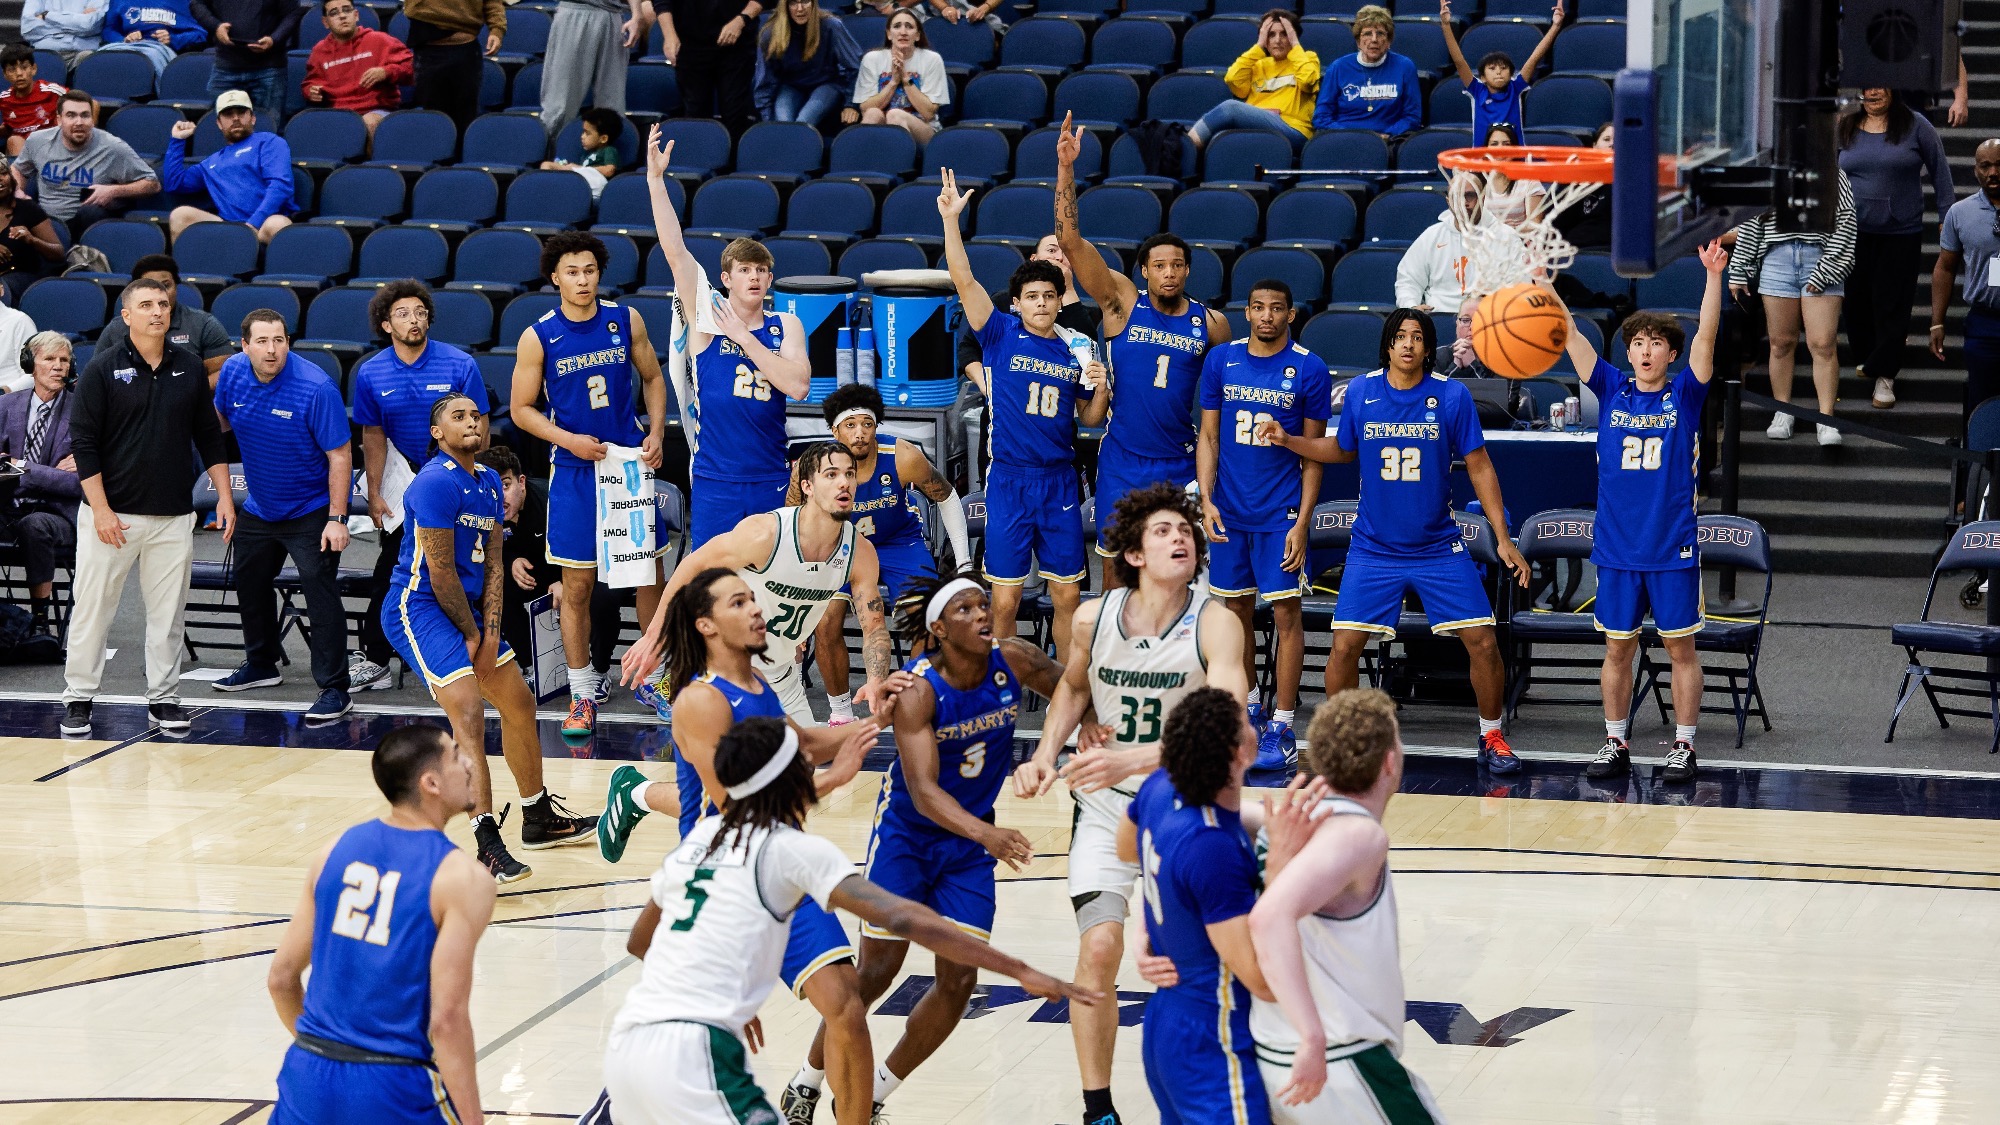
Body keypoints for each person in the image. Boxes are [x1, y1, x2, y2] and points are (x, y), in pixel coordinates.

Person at [602, 714, 1092, 1125]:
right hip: (695, 1057)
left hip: (629, 1046)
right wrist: (1019, 969)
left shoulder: (703, 836)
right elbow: (904, 917)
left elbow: (640, 941)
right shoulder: (789, 850)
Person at [594, 567, 882, 1125]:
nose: (756, 609)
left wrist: (879, 719)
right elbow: (737, 808)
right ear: (705, 624)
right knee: (679, 1061)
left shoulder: (759, 685)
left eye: (753, 599)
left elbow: (808, 742)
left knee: (846, 1002)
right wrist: (834, 779)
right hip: (725, 875)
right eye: (739, 602)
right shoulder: (700, 701)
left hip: (774, 858)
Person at [782, 573, 1071, 1122]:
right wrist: (988, 834)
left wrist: (1092, 736)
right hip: (910, 836)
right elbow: (925, 790)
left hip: (968, 842)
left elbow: (1072, 687)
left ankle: (871, 1096)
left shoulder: (1015, 658)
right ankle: (806, 1081)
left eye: (983, 605)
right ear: (937, 629)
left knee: (959, 980)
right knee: (874, 974)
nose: (982, 615)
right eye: (965, 610)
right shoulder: (916, 691)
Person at [1014, 482, 1248, 1125]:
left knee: (1210, 965)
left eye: (1186, 530)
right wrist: (1043, 753)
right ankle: (1099, 1111)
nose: (1181, 538)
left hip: (1187, 813)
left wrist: (1136, 758)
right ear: (1135, 554)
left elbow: (1227, 727)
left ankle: (1237, 1086)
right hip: (1106, 809)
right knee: (1098, 951)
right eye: (1165, 531)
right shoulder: (1094, 616)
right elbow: (1069, 688)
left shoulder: (1217, 621)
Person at [1260, 309, 1532, 775]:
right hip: (1373, 548)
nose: (1408, 344)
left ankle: (1491, 735)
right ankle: (1347, 739)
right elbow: (1342, 449)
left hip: (1437, 546)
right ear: (1387, 345)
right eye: (1400, 337)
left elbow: (1481, 465)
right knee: (1344, 648)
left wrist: (1503, 539)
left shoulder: (1451, 395)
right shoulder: (1364, 391)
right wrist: (1289, 441)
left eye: (1417, 338)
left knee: (1483, 642)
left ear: (1429, 348)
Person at [380, 392, 599, 883]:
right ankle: (485, 842)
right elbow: (439, 573)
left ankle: (538, 815)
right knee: (469, 710)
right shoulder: (434, 482)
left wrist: (491, 631)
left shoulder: (486, 484)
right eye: (458, 417)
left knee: (519, 701)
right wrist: (473, 632)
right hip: (420, 608)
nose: (472, 421)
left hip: (471, 613)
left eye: (476, 415)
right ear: (438, 433)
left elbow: (495, 565)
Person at [1551, 243, 1726, 785]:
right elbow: (1574, 338)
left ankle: (1683, 745)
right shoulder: (1610, 387)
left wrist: (1713, 277)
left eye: (1655, 344)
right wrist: (1545, 286)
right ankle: (1614, 740)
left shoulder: (1686, 395)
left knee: (1680, 647)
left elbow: (1706, 337)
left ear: (1669, 354)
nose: (1645, 351)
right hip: (1618, 547)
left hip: (1671, 545)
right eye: (1638, 343)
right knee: (1617, 648)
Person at [266, 725, 496, 1125]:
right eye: (457, 756)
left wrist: (330, 1050)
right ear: (431, 783)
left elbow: (281, 979)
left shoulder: (332, 851)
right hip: (394, 1084)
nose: (470, 764)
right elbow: (446, 1020)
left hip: (307, 1074)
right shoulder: (463, 877)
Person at [1246, 689, 1451, 1124]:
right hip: (1339, 1062)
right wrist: (1313, 1036)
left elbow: (1191, 810)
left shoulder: (1282, 820)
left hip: (1277, 1054)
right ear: (1390, 762)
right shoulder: (1358, 836)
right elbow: (1269, 916)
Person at [941, 169, 1108, 664]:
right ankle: (1004, 682)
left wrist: (1101, 387)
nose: (1041, 302)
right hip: (1010, 480)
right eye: (1031, 296)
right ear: (1016, 304)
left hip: (1060, 480)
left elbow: (1091, 419)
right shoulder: (999, 333)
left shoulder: (1077, 348)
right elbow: (963, 278)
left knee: (1068, 597)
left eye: (1049, 296)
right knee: (1006, 598)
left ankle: (1065, 683)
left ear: (1060, 302)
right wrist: (952, 221)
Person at [509, 230, 670, 738]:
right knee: (577, 585)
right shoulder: (538, 335)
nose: (582, 280)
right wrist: (568, 438)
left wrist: (658, 432)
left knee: (649, 579)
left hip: (625, 464)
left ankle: (656, 678)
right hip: (576, 470)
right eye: (572, 272)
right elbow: (520, 410)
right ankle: (582, 695)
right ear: (554, 277)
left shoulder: (627, 319)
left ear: (600, 274)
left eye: (590, 271)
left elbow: (654, 378)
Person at [59, 278, 233, 738]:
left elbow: (208, 436)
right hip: (111, 515)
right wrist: (99, 509)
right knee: (93, 609)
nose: (157, 311)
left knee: (168, 614)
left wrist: (225, 497)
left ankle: (164, 698)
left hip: (173, 515)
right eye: (146, 305)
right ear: (127, 315)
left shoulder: (191, 368)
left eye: (162, 303)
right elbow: (85, 443)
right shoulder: (101, 368)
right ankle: (79, 696)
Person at [625, 441, 899, 732]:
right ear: (807, 486)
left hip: (781, 672)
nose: (843, 482)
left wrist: (875, 679)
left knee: (803, 765)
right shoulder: (766, 533)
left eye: (849, 474)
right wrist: (655, 636)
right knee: (727, 770)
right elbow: (693, 566)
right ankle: (640, 780)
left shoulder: (860, 552)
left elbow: (874, 627)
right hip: (725, 668)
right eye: (831, 475)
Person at [1053, 116, 1227, 540]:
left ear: (1187, 271)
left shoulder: (1211, 324)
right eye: (1159, 266)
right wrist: (1066, 169)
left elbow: (1233, 384)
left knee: (1179, 568)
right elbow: (1071, 243)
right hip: (1123, 458)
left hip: (1181, 459)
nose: (1169, 273)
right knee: (1116, 568)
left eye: (1177, 265)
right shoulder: (1122, 303)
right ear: (1144, 271)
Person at [645, 126, 811, 548]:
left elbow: (797, 386)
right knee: (714, 585)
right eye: (744, 270)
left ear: (770, 279)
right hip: (715, 478)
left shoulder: (786, 325)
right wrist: (655, 181)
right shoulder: (706, 320)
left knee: (767, 586)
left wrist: (747, 339)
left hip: (771, 476)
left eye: (760, 271)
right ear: (726, 278)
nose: (753, 277)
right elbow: (675, 252)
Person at [1119, 686, 1273, 1125]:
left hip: (1167, 1025)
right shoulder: (1211, 849)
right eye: (1245, 718)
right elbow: (1259, 980)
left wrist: (1153, 921)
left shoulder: (1161, 785)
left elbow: (1128, 848)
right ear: (1238, 751)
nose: (1252, 719)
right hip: (1215, 1038)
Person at [1199, 278, 1328, 767]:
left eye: (1277, 308)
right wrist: (1206, 499)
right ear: (1247, 312)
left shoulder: (1309, 368)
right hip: (1229, 509)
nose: (1267, 316)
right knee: (1233, 615)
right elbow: (1209, 437)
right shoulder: (1221, 360)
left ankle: (1284, 723)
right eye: (1258, 307)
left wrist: (1303, 523)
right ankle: (1249, 708)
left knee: (1285, 615)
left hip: (1281, 513)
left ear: (1290, 315)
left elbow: (1315, 455)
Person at [209, 308, 354, 718]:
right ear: (245, 345)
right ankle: (261, 664)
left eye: (279, 340)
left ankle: (335, 687)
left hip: (311, 508)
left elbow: (340, 455)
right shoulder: (234, 373)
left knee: (318, 587)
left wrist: (338, 519)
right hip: (260, 505)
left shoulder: (315, 387)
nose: (272, 350)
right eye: (262, 341)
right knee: (249, 578)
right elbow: (218, 421)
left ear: (288, 341)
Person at [804, 383, 969, 727]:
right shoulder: (818, 465)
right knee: (826, 620)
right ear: (834, 431)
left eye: (867, 423)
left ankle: (914, 701)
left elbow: (948, 498)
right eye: (850, 425)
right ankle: (841, 712)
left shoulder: (902, 456)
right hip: (842, 545)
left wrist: (965, 562)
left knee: (925, 617)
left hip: (898, 542)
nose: (860, 433)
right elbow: (793, 517)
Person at [352, 280, 488, 692]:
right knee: (392, 570)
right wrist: (374, 491)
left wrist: (475, 482)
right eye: (403, 314)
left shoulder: (459, 364)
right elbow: (372, 435)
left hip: (451, 475)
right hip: (403, 481)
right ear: (385, 324)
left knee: (465, 565)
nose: (414, 320)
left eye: (420, 312)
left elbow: (478, 427)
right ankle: (375, 659)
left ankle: (481, 654)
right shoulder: (371, 372)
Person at [1839, 87, 1954, 411]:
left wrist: (1947, 217)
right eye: (1866, 86)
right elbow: (1827, 173)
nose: (1872, 92)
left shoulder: (1917, 125)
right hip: (1852, 231)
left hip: (1900, 231)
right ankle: (1870, 359)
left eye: (1879, 85)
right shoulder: (1845, 125)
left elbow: (1940, 174)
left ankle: (1885, 376)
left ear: (1894, 89)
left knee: (1892, 303)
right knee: (1856, 304)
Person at [1727, 169, 1856, 446]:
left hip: (1820, 255)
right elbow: (1751, 217)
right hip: (1777, 257)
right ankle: (1783, 411)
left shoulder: (1833, 173)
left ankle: (1826, 418)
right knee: (1780, 343)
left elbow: (1845, 221)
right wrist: (1739, 268)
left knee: (1823, 344)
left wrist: (1827, 270)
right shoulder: (1768, 170)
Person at [954, 229, 1103, 396]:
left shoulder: (1074, 313)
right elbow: (968, 348)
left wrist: (1068, 288)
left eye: (1066, 254)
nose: (1059, 258)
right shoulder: (1003, 305)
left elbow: (1087, 350)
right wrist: (985, 383)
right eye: (1052, 250)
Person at [0, 331, 78, 635]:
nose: (58, 366)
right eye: (49, 359)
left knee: (36, 527)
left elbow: (78, 484)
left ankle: (40, 622)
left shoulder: (83, 411)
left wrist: (22, 467)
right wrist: (48, 474)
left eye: (64, 360)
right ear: (30, 364)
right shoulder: (6, 406)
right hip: (10, 506)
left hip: (58, 514)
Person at [12, 88, 159, 235]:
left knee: (91, 213)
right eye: (71, 115)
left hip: (86, 222)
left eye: (85, 116)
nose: (79, 122)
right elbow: (18, 169)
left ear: (92, 120)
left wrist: (113, 191)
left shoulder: (113, 147)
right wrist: (17, 191)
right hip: (45, 221)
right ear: (59, 120)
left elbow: (152, 184)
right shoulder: (38, 141)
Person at [161, 90, 294, 243]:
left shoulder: (270, 142)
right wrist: (177, 141)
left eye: (241, 112)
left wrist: (252, 224)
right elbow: (173, 184)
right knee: (180, 215)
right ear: (219, 123)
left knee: (278, 224)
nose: (235, 118)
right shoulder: (211, 162)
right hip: (228, 226)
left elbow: (280, 186)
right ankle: (183, 267)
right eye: (228, 114)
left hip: (263, 225)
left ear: (253, 118)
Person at [1933, 139, 2000, 422]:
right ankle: (1981, 464)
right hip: (1984, 323)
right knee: (1982, 404)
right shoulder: (1960, 213)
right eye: (1985, 166)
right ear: (1975, 171)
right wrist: (1937, 321)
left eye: (1999, 165)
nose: (1993, 172)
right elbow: (1945, 268)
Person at [1190, 9, 1318, 153]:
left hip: (1293, 130)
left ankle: (1185, 146)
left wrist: (1295, 44)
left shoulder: (1307, 58)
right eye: (1271, 34)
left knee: (1230, 108)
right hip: (1256, 127)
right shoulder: (1258, 64)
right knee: (1220, 137)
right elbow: (1233, 81)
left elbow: (1308, 81)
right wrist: (1259, 46)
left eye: (1285, 34)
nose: (1277, 40)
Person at [95, 254, 233, 379]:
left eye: (166, 286)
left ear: (177, 286)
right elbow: (97, 374)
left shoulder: (204, 324)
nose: (159, 293)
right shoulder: (115, 329)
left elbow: (225, 369)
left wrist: (193, 392)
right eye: (150, 287)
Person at [1441, 0, 1560, 143]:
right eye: (1492, 68)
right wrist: (1446, 25)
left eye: (1504, 68)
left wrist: (1556, 25)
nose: (1498, 72)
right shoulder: (1477, 91)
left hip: (1515, 162)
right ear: (1483, 77)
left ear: (1511, 74)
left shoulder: (1515, 89)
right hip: (1482, 161)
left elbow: (1535, 58)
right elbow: (1459, 62)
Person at [538, 0, 649, 143]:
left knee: (611, 107)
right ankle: (548, 159)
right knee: (560, 107)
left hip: (613, 14)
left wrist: (637, 15)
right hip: (575, 11)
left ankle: (606, 161)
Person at [300, 0, 411, 140]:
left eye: (346, 10)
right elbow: (310, 82)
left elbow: (412, 68)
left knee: (369, 122)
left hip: (377, 111)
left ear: (356, 15)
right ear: (325, 22)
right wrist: (311, 91)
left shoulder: (381, 40)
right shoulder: (319, 51)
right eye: (334, 13)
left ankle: (367, 162)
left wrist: (387, 72)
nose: (342, 16)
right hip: (339, 114)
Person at [1312, 5, 1419, 138]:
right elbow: (1321, 117)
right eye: (1368, 33)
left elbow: (1412, 117)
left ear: (1389, 41)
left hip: (1388, 141)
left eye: (1380, 33)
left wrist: (1387, 135)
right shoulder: (1338, 67)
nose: (1374, 39)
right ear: (1358, 41)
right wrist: (1351, 136)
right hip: (1344, 138)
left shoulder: (1405, 67)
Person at [190, 0, 302, 126]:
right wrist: (215, 26)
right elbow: (197, 4)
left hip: (268, 68)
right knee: (220, 131)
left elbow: (292, 13)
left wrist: (274, 39)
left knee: (269, 130)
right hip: (226, 66)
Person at [844, 9, 947, 140]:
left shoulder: (932, 59)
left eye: (909, 27)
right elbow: (865, 109)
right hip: (882, 123)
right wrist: (893, 82)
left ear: (917, 35)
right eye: (897, 26)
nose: (903, 32)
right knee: (873, 113)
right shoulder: (872, 59)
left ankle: (901, 159)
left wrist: (905, 79)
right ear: (889, 34)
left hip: (924, 129)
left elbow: (928, 113)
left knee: (895, 115)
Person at [754, 0, 860, 127]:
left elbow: (854, 66)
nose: (800, 9)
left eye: (805, 2)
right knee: (782, 124)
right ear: (785, 6)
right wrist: (768, 119)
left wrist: (850, 104)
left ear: (813, 4)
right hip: (791, 85)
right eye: (793, 3)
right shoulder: (771, 33)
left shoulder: (831, 25)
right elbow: (765, 80)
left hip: (827, 83)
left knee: (804, 122)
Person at [405, 0, 504, 133]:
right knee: (434, 119)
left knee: (465, 118)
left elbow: (492, 2)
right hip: (428, 52)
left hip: (464, 51)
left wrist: (497, 29)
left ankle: (465, 153)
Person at [666, 0, 762, 136]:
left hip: (737, 43)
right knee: (695, 114)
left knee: (734, 115)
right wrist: (669, 34)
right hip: (691, 45)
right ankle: (700, 156)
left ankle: (734, 156)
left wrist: (742, 19)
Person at [0, 160, 62, 302]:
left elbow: (58, 254)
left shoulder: (28, 209)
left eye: (4, 173)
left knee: (4, 287)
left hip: (20, 277)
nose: (0, 178)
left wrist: (32, 240)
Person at [96, 0, 205, 73]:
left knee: (145, 61)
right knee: (95, 59)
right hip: (123, 47)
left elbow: (200, 34)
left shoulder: (182, 2)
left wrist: (172, 39)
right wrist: (123, 39)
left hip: (159, 50)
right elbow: (108, 30)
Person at [538, 106, 622, 200]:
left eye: (587, 133)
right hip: (583, 181)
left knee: (557, 168)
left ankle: (549, 191)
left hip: (596, 184)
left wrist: (579, 168)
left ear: (603, 139)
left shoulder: (609, 150)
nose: (582, 137)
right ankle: (546, 190)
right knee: (547, 165)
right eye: (583, 132)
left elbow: (609, 170)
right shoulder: (586, 154)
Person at [0, 42, 65, 158]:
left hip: (52, 149)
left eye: (24, 67)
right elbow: (9, 127)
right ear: (5, 75)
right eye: (12, 70)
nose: (19, 74)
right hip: (23, 154)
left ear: (33, 69)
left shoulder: (51, 91)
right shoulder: (4, 100)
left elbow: (93, 104)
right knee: (14, 140)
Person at [23, 0, 104, 68]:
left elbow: (88, 25)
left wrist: (47, 15)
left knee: (91, 60)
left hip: (82, 54)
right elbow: (27, 28)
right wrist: (76, 24)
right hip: (46, 53)